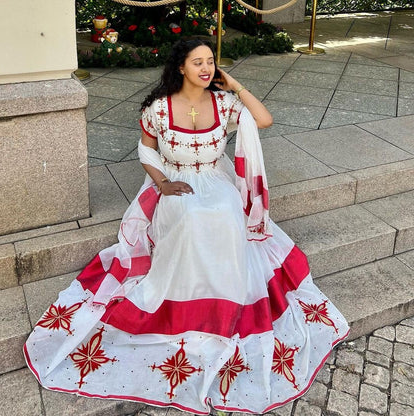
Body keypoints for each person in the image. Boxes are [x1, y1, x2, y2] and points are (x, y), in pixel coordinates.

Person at [24, 39, 349, 414]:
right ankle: (187, 300)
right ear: (181, 67)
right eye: (198, 62)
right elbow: (146, 150)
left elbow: (263, 120)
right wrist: (162, 183)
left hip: (216, 178)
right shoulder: (157, 110)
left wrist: (236, 85)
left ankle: (224, 302)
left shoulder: (224, 103)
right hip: (175, 181)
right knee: (191, 216)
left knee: (225, 213)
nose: (206, 68)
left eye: (211, 61)